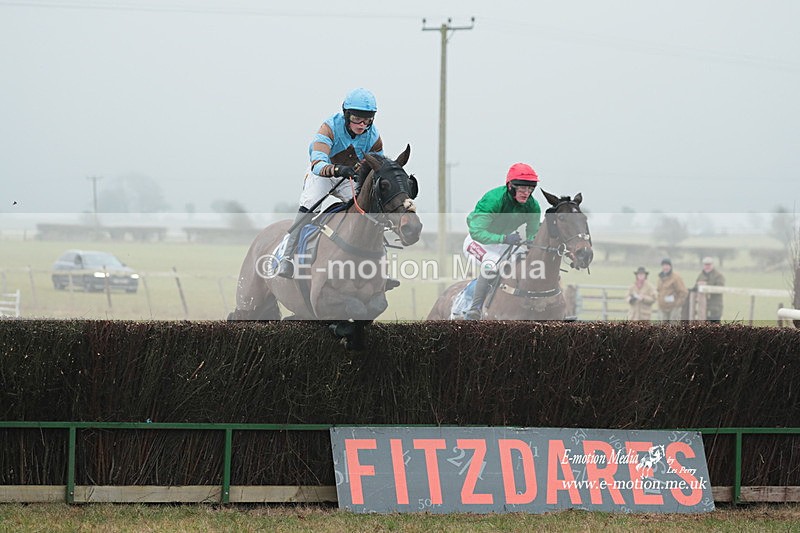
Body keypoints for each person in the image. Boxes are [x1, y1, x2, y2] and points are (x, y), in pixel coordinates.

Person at [277, 88, 384, 278]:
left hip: (348, 178)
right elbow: (317, 163)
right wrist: (337, 169)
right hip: (323, 175)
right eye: (357, 119)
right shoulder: (329, 128)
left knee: (368, 210)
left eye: (367, 120)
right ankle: (286, 257)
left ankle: (379, 263)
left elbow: (377, 165)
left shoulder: (373, 136)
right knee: (310, 205)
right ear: (346, 115)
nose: (362, 125)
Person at [461, 163, 542, 320]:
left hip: (504, 242)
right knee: (493, 263)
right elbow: (477, 232)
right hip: (477, 241)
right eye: (522, 188)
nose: (527, 193)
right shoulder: (493, 199)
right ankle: (474, 308)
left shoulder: (533, 206)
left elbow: (533, 234)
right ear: (511, 186)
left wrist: (531, 244)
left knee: (523, 262)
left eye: (530, 188)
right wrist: (504, 238)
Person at [693, 256, 725, 322]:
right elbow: (695, 287)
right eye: (705, 265)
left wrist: (705, 286)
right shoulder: (701, 275)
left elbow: (720, 288)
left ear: (712, 265)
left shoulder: (719, 276)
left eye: (709, 265)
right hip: (703, 307)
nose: (707, 266)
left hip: (715, 307)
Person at [656, 258, 688, 322]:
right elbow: (659, 291)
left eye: (667, 265)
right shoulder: (660, 278)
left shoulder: (676, 277)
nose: (665, 267)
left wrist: (677, 304)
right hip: (663, 307)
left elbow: (683, 292)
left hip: (673, 307)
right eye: (664, 265)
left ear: (670, 266)